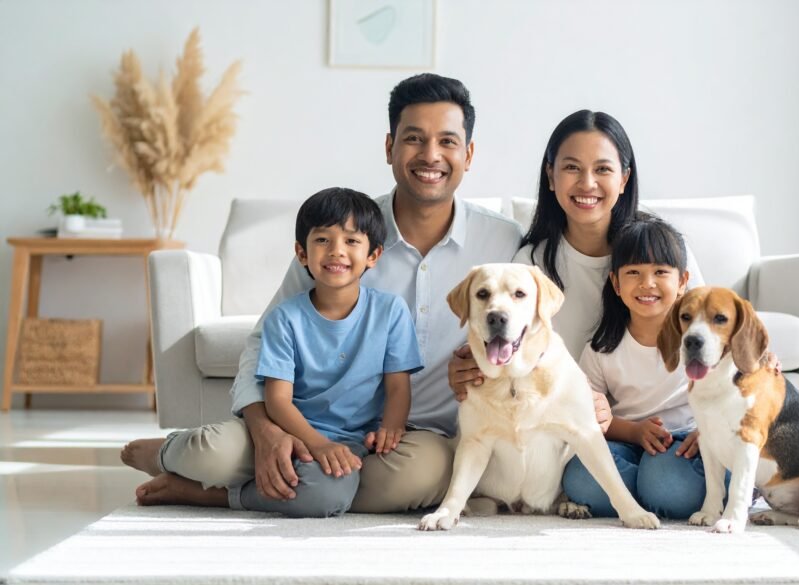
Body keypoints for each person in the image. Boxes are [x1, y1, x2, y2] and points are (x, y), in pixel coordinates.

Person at [121, 73, 525, 514]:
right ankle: (173, 453)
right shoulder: (342, 237)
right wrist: (265, 430)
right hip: (303, 421)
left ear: (468, 154)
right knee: (216, 454)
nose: (431, 155)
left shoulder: (504, 245)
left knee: (422, 477)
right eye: (414, 139)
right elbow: (262, 345)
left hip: (413, 442)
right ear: (389, 147)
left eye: (447, 142)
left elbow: (535, 336)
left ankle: (218, 493)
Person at [119, 187, 424, 516]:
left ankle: (204, 493)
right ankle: (162, 453)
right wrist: (314, 442)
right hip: (286, 428)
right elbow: (278, 400)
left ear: (373, 255)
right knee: (206, 450)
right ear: (302, 253)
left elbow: (397, 386)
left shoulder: (390, 311)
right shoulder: (286, 317)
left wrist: (390, 430)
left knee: (325, 497)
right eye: (323, 240)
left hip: (351, 442)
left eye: (351, 241)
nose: (337, 251)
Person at [448, 109, 705, 397]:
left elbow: (713, 333)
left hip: (666, 424)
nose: (587, 183)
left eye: (603, 169)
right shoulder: (530, 266)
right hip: (568, 418)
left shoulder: (663, 251)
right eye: (572, 168)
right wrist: (473, 368)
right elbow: (509, 356)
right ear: (551, 175)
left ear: (624, 179)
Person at [560, 215, 706, 519]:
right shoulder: (603, 347)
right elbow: (588, 414)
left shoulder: (700, 340)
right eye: (634, 272)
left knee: (668, 485)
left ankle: (652, 486)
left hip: (687, 443)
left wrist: (709, 432)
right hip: (626, 441)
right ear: (615, 282)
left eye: (660, 272)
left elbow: (733, 394)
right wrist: (634, 431)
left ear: (682, 282)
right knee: (580, 480)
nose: (647, 283)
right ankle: (644, 487)